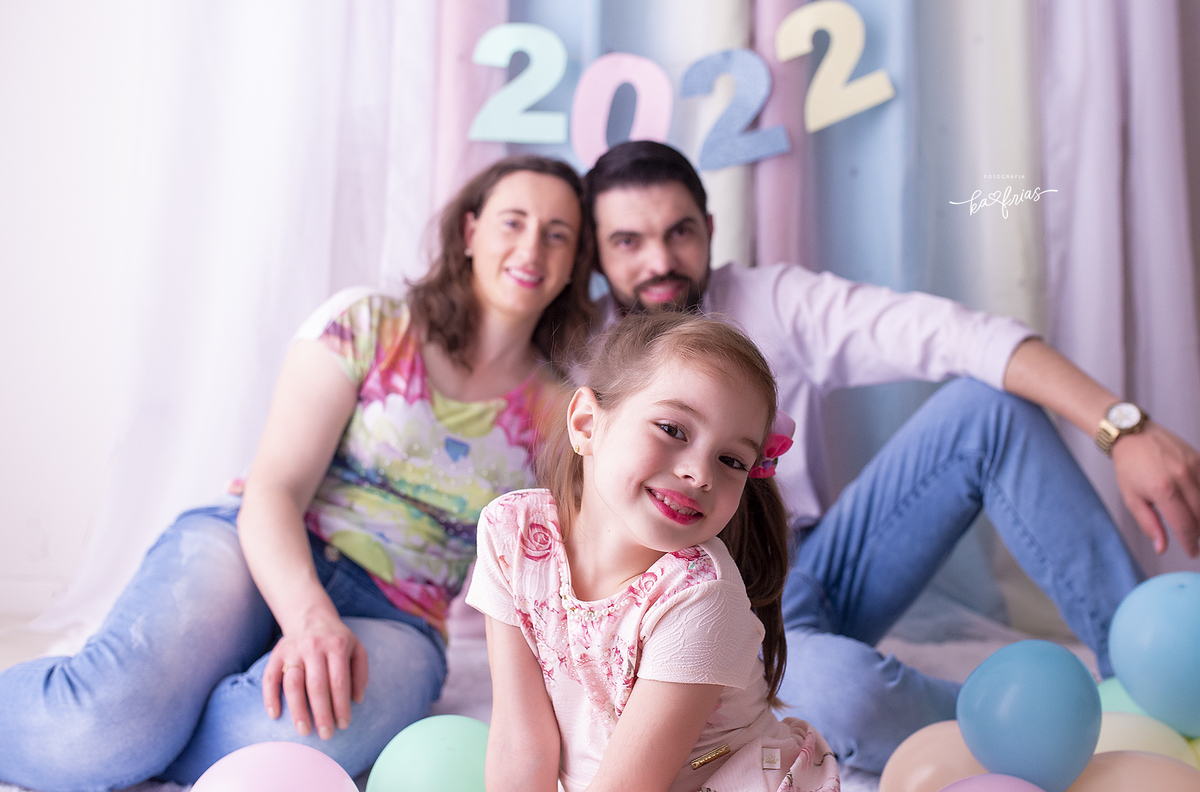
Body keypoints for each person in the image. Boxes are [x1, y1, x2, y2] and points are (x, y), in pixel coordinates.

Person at [580, 140, 1200, 772]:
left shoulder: (771, 301)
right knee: (845, 697)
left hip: (811, 562)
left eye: (680, 232)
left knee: (987, 408)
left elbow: (960, 334)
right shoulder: (582, 356)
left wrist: (1124, 428)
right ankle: (1051, 722)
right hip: (690, 606)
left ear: (710, 228)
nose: (660, 260)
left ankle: (1153, 675)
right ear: (596, 253)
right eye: (628, 241)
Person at [0, 154, 593, 791]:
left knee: (278, 744)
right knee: (94, 728)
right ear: (471, 232)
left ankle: (149, 729)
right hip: (259, 546)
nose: (532, 245)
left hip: (399, 616)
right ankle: (128, 722)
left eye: (557, 233)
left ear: (573, 261)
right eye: (514, 221)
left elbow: (551, 567)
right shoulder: (368, 323)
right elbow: (275, 488)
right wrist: (310, 619)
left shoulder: (563, 413)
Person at [468, 312, 841, 792]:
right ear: (586, 424)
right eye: (673, 430)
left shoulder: (702, 596)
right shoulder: (513, 535)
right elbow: (523, 742)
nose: (701, 474)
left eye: (732, 461)